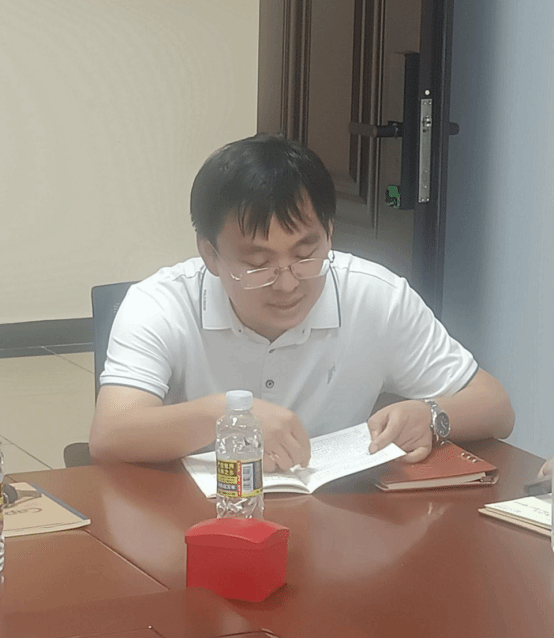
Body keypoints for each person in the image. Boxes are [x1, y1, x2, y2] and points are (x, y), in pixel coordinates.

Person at [89, 133, 514, 469]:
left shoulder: (375, 296)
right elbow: (110, 434)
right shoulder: (161, 305)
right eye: (259, 263)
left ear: (329, 233)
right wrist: (227, 415)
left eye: (306, 254)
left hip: (338, 521)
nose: (287, 283)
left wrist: (432, 415)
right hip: (200, 521)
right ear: (210, 255)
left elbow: (496, 407)